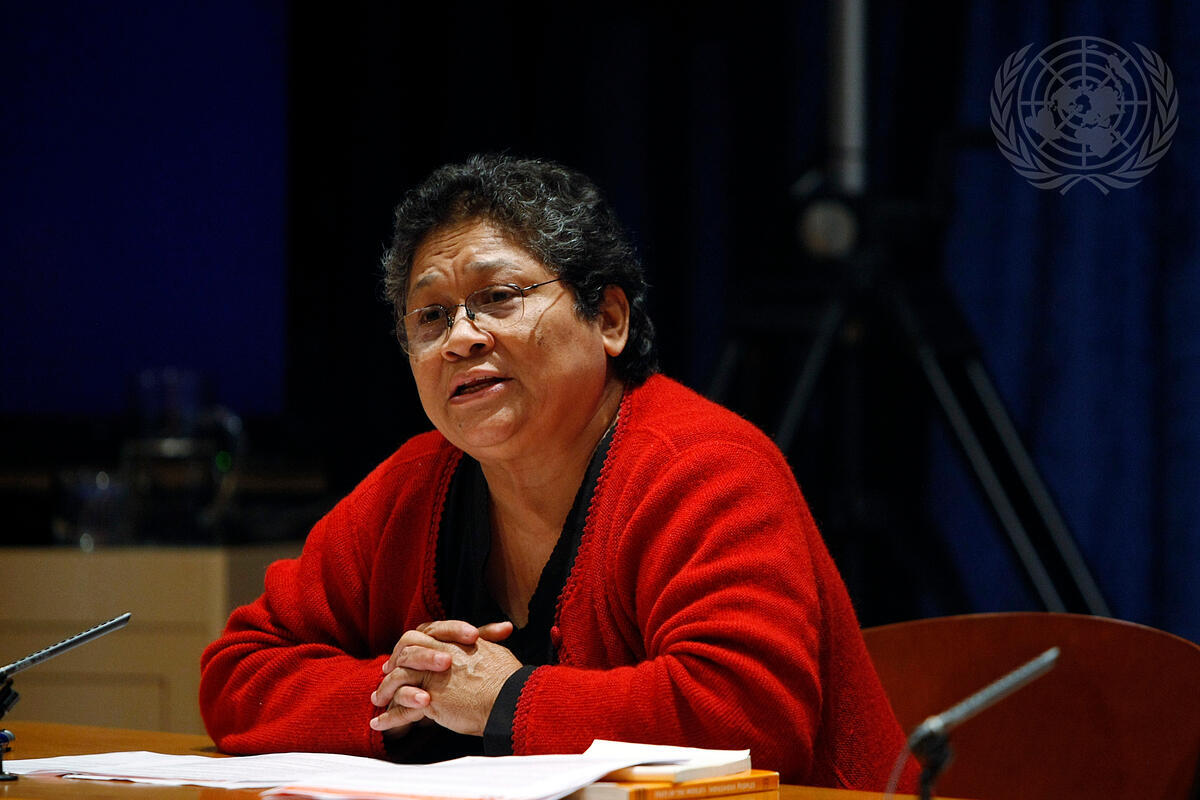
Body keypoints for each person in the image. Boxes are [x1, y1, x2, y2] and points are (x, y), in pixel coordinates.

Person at [199, 154, 918, 791]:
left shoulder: (702, 466)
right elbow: (238, 672)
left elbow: (748, 719)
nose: (460, 338)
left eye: (499, 297)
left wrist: (506, 702)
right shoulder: (410, 486)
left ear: (609, 320)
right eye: (430, 316)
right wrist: (407, 695)